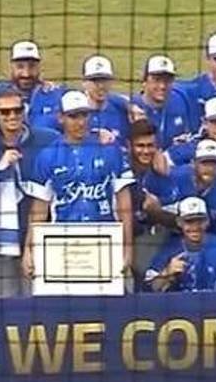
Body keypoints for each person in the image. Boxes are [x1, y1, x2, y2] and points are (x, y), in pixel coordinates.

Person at [21, 91, 135, 285]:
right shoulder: (47, 155)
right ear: (61, 117)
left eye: (84, 115)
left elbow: (124, 204)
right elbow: (39, 210)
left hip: (105, 239)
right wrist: (29, 249)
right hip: (63, 244)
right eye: (73, 116)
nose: (80, 122)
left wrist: (128, 247)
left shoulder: (109, 149)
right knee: (66, 311)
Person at [0, 90, 60, 298]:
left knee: (36, 301)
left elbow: (76, 134)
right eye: (5, 111)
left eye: (17, 110)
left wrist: (99, 135)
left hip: (36, 235)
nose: (12, 116)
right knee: (5, 305)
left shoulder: (47, 140)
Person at [145, 197, 216, 293]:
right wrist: (167, 272)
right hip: (182, 314)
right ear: (179, 222)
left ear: (207, 221)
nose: (195, 227)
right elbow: (149, 291)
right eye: (189, 221)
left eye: (200, 221)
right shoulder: (170, 250)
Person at [125, 121, 175, 288]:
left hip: (151, 239)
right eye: (140, 146)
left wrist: (156, 212)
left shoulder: (161, 174)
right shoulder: (121, 172)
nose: (146, 151)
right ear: (129, 146)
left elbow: (175, 218)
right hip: (122, 241)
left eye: (150, 146)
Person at [131, 54, 195, 147]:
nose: (162, 86)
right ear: (144, 81)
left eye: (167, 81)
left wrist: (168, 157)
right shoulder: (132, 108)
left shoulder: (180, 100)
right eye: (156, 80)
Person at [6, 40, 64, 129]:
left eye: (32, 66)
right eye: (20, 67)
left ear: (39, 67)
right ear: (11, 67)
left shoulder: (58, 95)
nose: (26, 74)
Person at [76, 54, 132, 143]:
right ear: (84, 82)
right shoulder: (74, 112)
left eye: (105, 80)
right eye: (95, 81)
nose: (101, 86)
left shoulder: (122, 109)